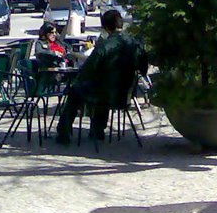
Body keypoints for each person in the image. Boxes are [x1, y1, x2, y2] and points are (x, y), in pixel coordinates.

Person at [56, 8, 148, 144]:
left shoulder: (104, 46)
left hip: (104, 95)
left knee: (77, 90)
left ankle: (64, 132)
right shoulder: (136, 45)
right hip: (126, 94)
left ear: (105, 27)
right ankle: (97, 129)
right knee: (101, 87)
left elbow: (87, 71)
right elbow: (144, 70)